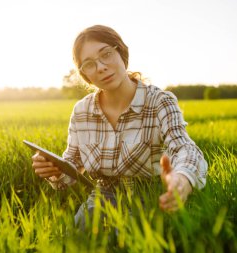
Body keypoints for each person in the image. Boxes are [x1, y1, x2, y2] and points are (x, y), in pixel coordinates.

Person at [32, 25, 208, 228]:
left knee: (132, 240)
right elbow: (73, 164)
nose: (100, 67)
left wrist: (182, 179)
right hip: (102, 197)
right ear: (85, 74)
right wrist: (53, 169)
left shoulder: (160, 101)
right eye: (89, 64)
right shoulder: (82, 111)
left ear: (121, 52)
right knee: (80, 240)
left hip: (151, 195)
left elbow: (184, 147)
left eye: (106, 54)